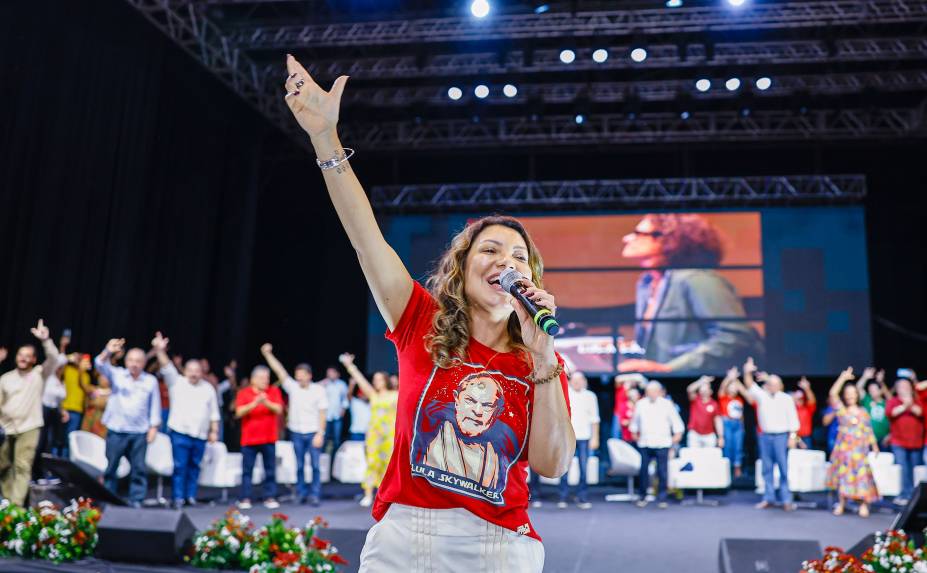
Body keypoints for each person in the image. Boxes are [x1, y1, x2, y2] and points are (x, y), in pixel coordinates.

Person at [286, 57, 573, 570]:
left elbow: (553, 464)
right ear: (462, 267)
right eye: (490, 251)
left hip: (499, 544)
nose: (505, 262)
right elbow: (365, 235)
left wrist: (543, 355)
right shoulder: (419, 318)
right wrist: (325, 139)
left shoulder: (541, 362)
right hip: (404, 538)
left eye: (518, 258)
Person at [617, 214, 764, 374]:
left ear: (668, 240)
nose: (627, 238)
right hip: (661, 385)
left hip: (695, 383)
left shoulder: (698, 279)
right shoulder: (646, 283)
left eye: (639, 233)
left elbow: (733, 337)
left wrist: (671, 368)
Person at [150, 332, 220, 508]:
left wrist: (214, 431)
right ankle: (178, 497)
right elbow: (166, 366)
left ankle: (190, 496)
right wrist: (159, 350)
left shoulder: (208, 389)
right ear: (186, 371)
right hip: (180, 432)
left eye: (197, 371)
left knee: (194, 467)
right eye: (191, 371)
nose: (194, 374)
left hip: (201, 434)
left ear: (202, 372)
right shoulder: (177, 382)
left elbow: (214, 413)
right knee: (180, 467)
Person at [94, 338, 161, 508]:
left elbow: (155, 405)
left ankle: (136, 500)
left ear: (144, 363)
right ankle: (109, 499)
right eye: (131, 360)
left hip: (139, 431)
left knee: (138, 469)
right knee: (111, 467)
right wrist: (108, 351)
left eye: (138, 361)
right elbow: (99, 364)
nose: (134, 364)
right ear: (126, 361)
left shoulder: (150, 381)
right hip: (117, 429)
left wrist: (154, 427)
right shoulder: (117, 375)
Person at [0, 320, 61, 506]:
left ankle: (15, 506)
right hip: (6, 428)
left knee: (22, 466)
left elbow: (55, 359)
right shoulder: (6, 378)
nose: (24, 359)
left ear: (34, 359)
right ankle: (7, 502)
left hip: (29, 426)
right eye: (21, 355)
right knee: (4, 467)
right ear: (16, 356)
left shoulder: (38, 374)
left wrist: (46, 340)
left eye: (28, 356)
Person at [261, 343, 328, 506]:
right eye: (297, 375)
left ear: (309, 375)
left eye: (301, 375)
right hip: (296, 432)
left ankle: (315, 494)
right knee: (298, 466)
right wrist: (267, 354)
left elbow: (322, 413)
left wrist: (321, 433)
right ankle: (301, 493)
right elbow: (280, 371)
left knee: (315, 466)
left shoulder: (318, 390)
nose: (298, 378)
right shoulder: (293, 387)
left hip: (313, 432)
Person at [339, 354, 398, 508]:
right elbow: (360, 380)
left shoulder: (396, 395)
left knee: (388, 465)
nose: (376, 382)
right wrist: (349, 366)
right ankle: (368, 494)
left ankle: (387, 496)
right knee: (372, 463)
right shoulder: (373, 395)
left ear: (385, 380)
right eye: (375, 379)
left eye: (379, 379)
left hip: (390, 436)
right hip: (374, 435)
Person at [744, 357, 799, 511]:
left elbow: (793, 419)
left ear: (780, 386)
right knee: (766, 469)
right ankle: (768, 498)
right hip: (765, 436)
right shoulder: (762, 396)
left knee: (783, 469)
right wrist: (747, 371)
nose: (772, 386)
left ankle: (786, 499)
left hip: (781, 436)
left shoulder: (786, 398)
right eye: (770, 384)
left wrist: (792, 437)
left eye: (775, 384)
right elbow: (749, 384)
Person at [827, 367, 879, 517]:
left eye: (853, 393)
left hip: (860, 450)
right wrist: (842, 378)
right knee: (844, 477)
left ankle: (863, 504)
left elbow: (868, 430)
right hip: (844, 449)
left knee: (862, 476)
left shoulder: (863, 412)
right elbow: (832, 394)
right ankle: (842, 504)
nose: (850, 396)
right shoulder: (842, 411)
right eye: (847, 394)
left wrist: (874, 446)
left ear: (857, 395)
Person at [235, 364, 283, 510]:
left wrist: (266, 401)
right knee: (247, 471)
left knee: (270, 470)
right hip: (249, 439)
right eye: (262, 378)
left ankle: (269, 497)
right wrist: (255, 402)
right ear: (253, 379)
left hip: (268, 438)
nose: (266, 381)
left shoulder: (273, 391)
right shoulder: (244, 393)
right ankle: (245, 497)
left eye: (267, 378)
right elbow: (239, 412)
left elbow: (279, 409)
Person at [630, 381, 684, 509]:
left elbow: (677, 425)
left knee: (662, 472)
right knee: (643, 471)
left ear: (659, 392)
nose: (652, 393)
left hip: (662, 443)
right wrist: (635, 435)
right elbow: (634, 423)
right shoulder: (641, 404)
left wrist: (675, 439)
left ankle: (662, 498)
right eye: (649, 391)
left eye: (654, 391)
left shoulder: (667, 405)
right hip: (645, 443)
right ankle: (642, 496)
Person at [559, 372, 599, 510]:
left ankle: (582, 497)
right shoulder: (564, 394)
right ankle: (563, 496)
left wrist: (595, 438)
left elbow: (595, 420)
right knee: (564, 468)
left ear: (584, 381)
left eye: (579, 380)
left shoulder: (591, 396)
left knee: (583, 468)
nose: (577, 382)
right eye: (574, 380)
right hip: (567, 437)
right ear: (570, 382)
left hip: (584, 437)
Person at [886, 377, 924, 505]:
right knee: (903, 469)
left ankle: (914, 497)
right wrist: (904, 405)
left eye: (907, 386)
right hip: (898, 441)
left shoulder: (917, 401)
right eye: (902, 386)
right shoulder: (893, 401)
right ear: (897, 389)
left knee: (915, 470)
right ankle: (904, 494)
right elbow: (891, 413)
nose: (905, 388)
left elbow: (921, 413)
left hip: (916, 442)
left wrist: (910, 404)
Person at [61, 353, 94, 457]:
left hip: (77, 411)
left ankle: (65, 463)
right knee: (58, 438)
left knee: (69, 440)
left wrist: (81, 370)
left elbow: (82, 386)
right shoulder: (67, 370)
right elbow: (58, 365)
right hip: (64, 408)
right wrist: (68, 357)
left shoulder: (86, 376)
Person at [718, 367, 748, 477]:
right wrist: (729, 378)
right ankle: (727, 469)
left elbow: (741, 414)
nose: (734, 388)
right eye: (732, 386)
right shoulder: (724, 397)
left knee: (738, 447)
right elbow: (722, 387)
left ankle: (737, 467)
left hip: (738, 424)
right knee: (728, 446)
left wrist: (735, 380)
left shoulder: (739, 400)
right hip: (727, 423)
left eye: (735, 387)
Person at [685, 375, 724, 449]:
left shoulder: (714, 404)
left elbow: (717, 420)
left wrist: (720, 437)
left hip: (709, 435)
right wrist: (701, 381)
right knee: (693, 457)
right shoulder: (695, 399)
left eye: (706, 387)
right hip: (695, 434)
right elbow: (690, 389)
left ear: (711, 391)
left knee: (709, 457)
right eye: (702, 387)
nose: (704, 389)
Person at [856, 367, 891, 447]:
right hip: (867, 438)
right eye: (870, 390)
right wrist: (864, 377)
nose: (872, 392)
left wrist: (881, 382)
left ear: (880, 390)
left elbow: (890, 397)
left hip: (883, 438)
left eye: (874, 389)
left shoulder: (886, 403)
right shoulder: (867, 400)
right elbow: (858, 388)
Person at [319, 365, 349, 457]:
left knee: (337, 438)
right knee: (324, 437)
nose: (330, 374)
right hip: (326, 415)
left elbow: (345, 398)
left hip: (337, 415)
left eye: (332, 372)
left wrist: (343, 409)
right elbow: (314, 390)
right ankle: (322, 457)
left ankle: (335, 457)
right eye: (328, 373)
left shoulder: (342, 384)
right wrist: (322, 383)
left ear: (337, 374)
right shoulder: (324, 383)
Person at [794, 377, 817, 449]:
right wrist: (798, 440)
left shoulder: (807, 409)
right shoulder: (791, 409)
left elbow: (812, 400)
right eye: (796, 399)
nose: (798, 401)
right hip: (794, 437)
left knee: (807, 458)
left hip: (806, 438)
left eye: (800, 399)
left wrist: (807, 388)